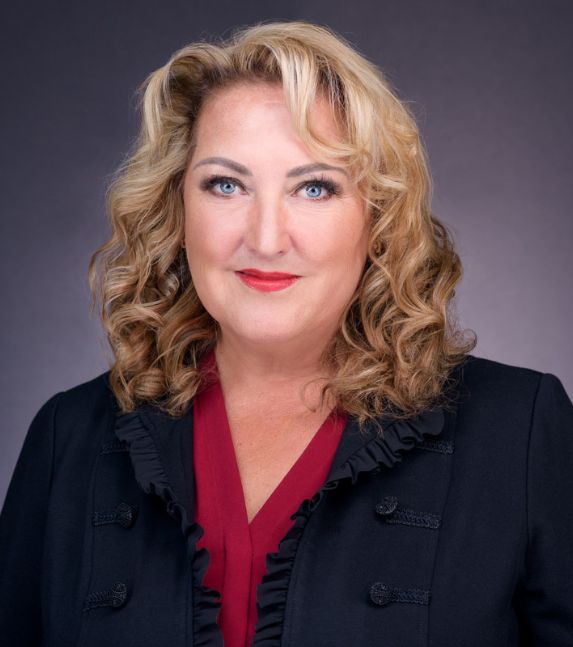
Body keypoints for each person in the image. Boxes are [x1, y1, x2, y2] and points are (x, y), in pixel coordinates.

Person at [1, 19, 572, 647]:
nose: (267, 238)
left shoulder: (520, 429)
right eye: (226, 185)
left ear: (378, 216)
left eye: (314, 187)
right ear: (175, 208)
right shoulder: (67, 438)